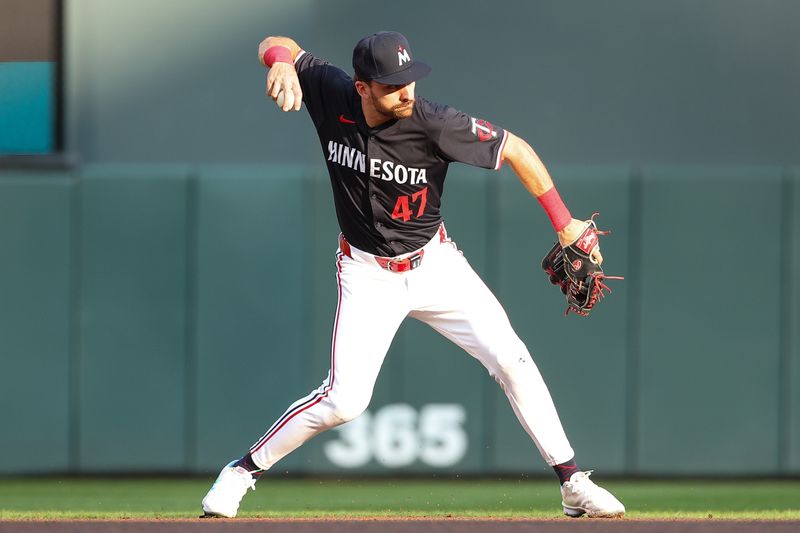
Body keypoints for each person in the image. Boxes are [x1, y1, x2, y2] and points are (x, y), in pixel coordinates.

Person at [201, 31, 625, 519]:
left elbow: (517, 150)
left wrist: (565, 221)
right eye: (393, 84)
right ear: (362, 87)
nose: (407, 91)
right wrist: (278, 61)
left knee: (512, 358)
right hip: (366, 274)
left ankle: (572, 482)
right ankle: (241, 471)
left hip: (435, 264)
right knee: (344, 402)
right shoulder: (329, 89)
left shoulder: (435, 123)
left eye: (410, 79)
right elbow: (274, 42)